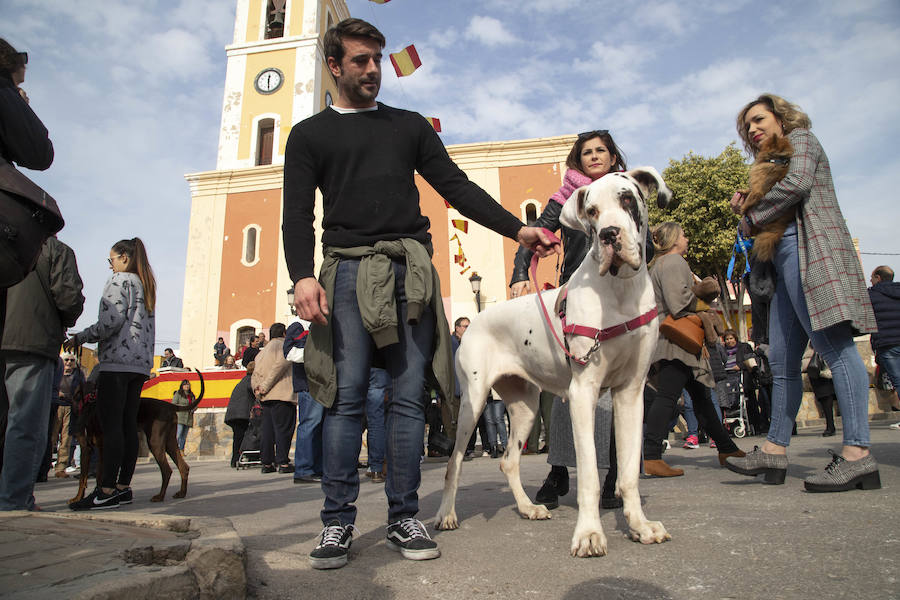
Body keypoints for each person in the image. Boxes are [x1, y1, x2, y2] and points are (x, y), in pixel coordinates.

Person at [283, 18, 559, 570]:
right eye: (359, 61)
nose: (371, 71)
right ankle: (337, 524)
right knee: (345, 397)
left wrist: (515, 229)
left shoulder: (408, 127)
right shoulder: (309, 135)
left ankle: (404, 516)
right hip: (344, 274)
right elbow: (295, 212)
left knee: (409, 399)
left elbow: (455, 185)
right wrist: (301, 276)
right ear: (334, 67)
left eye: (376, 61)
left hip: (409, 270)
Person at [726, 94, 880, 492]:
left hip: (809, 249)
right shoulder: (766, 163)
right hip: (781, 257)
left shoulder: (802, 140)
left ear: (780, 116)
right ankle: (775, 451)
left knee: (833, 346)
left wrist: (751, 214)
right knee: (780, 359)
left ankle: (858, 455)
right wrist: (749, 211)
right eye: (747, 127)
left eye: (759, 120)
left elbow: (797, 184)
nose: (753, 130)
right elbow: (765, 212)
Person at [509, 130, 636, 509]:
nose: (594, 156)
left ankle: (615, 474)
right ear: (577, 160)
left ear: (613, 157)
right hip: (579, 294)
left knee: (620, 387)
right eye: (586, 153)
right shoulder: (567, 196)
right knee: (571, 385)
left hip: (623, 293)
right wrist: (520, 273)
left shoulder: (629, 191)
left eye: (600, 150)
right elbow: (537, 234)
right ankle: (559, 472)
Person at [643, 222, 745, 477]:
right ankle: (651, 455)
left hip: (673, 339)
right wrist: (702, 298)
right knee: (668, 397)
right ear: (675, 239)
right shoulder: (674, 262)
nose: (687, 238)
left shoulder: (659, 265)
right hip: (677, 341)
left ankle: (726, 447)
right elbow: (679, 303)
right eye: (684, 234)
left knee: (701, 398)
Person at [67, 238, 155, 510]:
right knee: (128, 425)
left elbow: (110, 321)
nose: (111, 265)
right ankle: (122, 487)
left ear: (124, 258)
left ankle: (105, 490)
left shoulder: (120, 281)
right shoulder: (145, 286)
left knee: (111, 426)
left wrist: (81, 336)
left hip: (116, 363)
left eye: (112, 260)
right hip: (138, 365)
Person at [0, 237, 83, 510]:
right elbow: (69, 298)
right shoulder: (53, 249)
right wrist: (66, 321)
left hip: (8, 338)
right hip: (31, 342)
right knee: (25, 425)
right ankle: (14, 500)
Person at [251, 323, 295, 474]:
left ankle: (267, 463)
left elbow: (254, 373)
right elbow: (280, 367)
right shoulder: (284, 346)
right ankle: (282, 462)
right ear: (284, 333)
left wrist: (258, 389)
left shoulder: (261, 353)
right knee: (283, 430)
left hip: (266, 397)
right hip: (282, 394)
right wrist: (265, 386)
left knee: (268, 430)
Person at [284, 321, 324, 483]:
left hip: (322, 384)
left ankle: (317, 468)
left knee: (319, 427)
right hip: (308, 385)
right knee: (310, 425)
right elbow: (289, 353)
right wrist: (315, 353)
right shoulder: (297, 327)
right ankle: (304, 469)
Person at [867, 266, 900, 429]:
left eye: (872, 277)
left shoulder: (871, 295)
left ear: (878, 278)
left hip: (888, 344)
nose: (870, 281)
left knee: (898, 381)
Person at [52, 352, 84, 477]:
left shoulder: (78, 374)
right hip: (56, 405)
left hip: (70, 407)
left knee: (66, 439)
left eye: (71, 360)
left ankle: (61, 468)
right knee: (51, 437)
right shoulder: (56, 371)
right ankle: (42, 467)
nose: (69, 362)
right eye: (66, 360)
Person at [225, 362, 255, 468]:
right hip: (241, 414)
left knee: (237, 437)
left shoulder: (243, 380)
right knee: (241, 437)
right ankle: (238, 458)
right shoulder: (251, 380)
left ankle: (235, 459)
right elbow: (254, 391)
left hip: (234, 414)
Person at [172, 380, 196, 451]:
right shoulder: (178, 394)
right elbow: (174, 403)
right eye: (185, 385)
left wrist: (193, 408)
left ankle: (181, 449)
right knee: (178, 434)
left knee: (184, 436)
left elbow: (194, 404)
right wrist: (184, 407)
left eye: (188, 384)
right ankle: (175, 449)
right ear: (182, 386)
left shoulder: (191, 395)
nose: (187, 386)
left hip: (188, 417)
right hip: (180, 417)